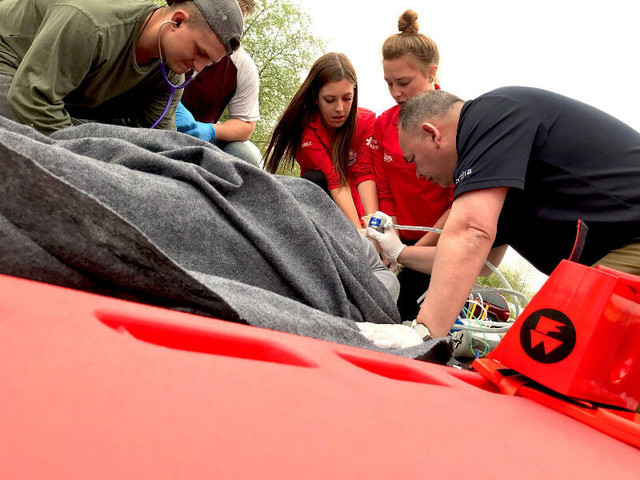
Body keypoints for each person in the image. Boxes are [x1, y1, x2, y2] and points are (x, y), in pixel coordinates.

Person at [368, 86, 640, 338]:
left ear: (432, 134)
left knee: (549, 348)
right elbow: (480, 262)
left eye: (413, 159)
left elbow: (471, 232)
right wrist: (399, 252)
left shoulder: (491, 117)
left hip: (632, 235)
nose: (418, 174)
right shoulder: (500, 171)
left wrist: (423, 334)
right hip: (619, 244)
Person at [0, 0, 243, 134]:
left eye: (208, 63)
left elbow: (157, 139)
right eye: (199, 52)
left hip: (60, 94)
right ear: (178, 21)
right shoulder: (93, 24)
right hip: (12, 58)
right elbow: (30, 100)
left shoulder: (170, 75)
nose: (197, 67)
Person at [371, 10, 453, 321]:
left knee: (406, 316)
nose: (395, 93)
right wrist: (387, 241)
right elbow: (384, 185)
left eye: (404, 82)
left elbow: (456, 204)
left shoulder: (457, 124)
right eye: (389, 83)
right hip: (394, 239)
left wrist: (409, 254)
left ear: (432, 72)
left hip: (435, 247)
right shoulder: (384, 123)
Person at [263, 52, 378, 230]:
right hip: (325, 201)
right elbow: (334, 179)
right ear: (316, 98)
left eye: (347, 98)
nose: (339, 109)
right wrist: (360, 237)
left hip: (360, 205)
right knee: (315, 178)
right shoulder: (307, 130)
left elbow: (365, 172)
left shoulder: (367, 122)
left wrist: (374, 228)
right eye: (330, 100)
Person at [176, 0, 262, 166]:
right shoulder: (176, 29)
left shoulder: (242, 66)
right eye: (225, 19)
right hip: (151, 119)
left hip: (201, 140)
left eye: (237, 24)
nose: (228, 31)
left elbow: (246, 124)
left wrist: (209, 130)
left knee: (247, 154)